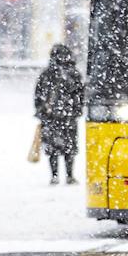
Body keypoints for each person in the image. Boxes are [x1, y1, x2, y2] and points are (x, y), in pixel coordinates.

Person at [34, 44, 85, 185]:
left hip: (51, 116)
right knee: (69, 147)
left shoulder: (46, 74)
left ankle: (55, 175)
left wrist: (41, 111)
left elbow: (38, 95)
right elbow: (80, 95)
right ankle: (69, 175)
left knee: (53, 149)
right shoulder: (74, 74)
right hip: (69, 116)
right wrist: (76, 110)